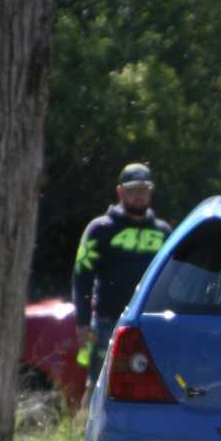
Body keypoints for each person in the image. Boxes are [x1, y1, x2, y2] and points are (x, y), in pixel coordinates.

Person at [73, 162, 171, 392]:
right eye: (133, 190)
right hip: (107, 322)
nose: (139, 196)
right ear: (120, 192)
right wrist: (83, 322)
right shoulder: (100, 229)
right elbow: (82, 277)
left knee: (151, 389)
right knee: (99, 388)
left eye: (144, 190)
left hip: (151, 323)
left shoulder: (163, 232)